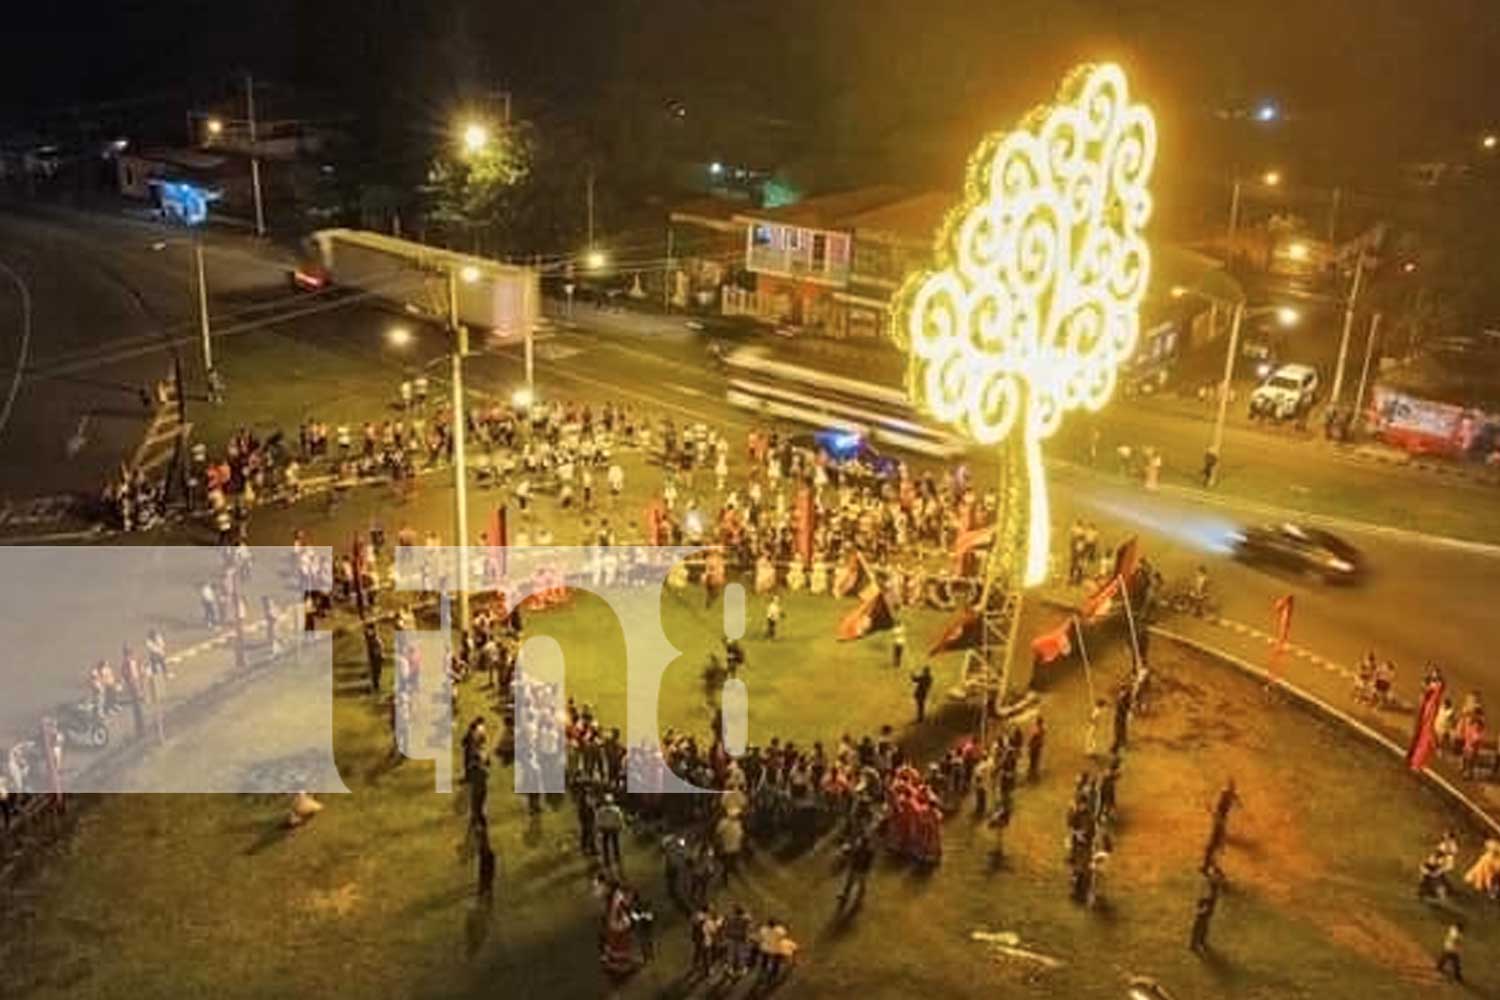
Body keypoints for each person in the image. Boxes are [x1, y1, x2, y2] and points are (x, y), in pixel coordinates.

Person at [838, 834, 876, 908]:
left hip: (862, 870)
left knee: (860, 884)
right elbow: (853, 856)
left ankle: (859, 898)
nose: (862, 844)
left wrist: (866, 869)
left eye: (863, 842)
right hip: (856, 868)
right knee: (850, 883)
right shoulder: (859, 849)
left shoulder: (869, 852)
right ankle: (845, 896)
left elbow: (869, 862)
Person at [596, 793, 626, 872]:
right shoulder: (615, 810)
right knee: (613, 843)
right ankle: (614, 858)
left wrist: (599, 827)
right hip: (611, 829)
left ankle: (610, 858)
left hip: (608, 829)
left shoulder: (602, 810)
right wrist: (621, 826)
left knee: (609, 844)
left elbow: (598, 820)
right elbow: (620, 819)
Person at [1027, 714, 1046, 782]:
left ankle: (1032, 776)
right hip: (1038, 747)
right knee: (1036, 761)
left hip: (1034, 748)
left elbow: (1031, 738)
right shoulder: (1042, 728)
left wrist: (1029, 745)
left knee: (1033, 762)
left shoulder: (1036, 730)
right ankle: (1034, 775)